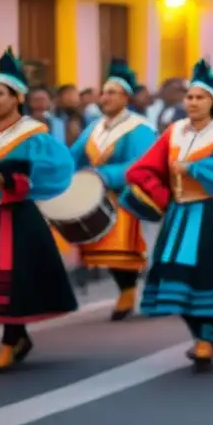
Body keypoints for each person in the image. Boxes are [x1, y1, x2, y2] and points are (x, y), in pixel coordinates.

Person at [120, 59, 213, 368]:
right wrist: (162, 196)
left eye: (200, 97)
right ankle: (201, 335)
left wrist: (196, 168)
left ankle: (206, 337)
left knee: (206, 279)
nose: (193, 102)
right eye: (189, 96)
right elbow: (142, 169)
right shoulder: (174, 132)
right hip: (179, 216)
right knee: (172, 277)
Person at [0, 49, 77, 372]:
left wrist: (10, 174)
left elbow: (55, 166)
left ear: (16, 98)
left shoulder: (32, 133)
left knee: (12, 280)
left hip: (13, 216)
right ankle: (18, 336)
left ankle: (9, 341)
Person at [69, 59, 157, 320]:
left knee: (127, 249)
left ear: (125, 97)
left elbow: (142, 163)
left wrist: (105, 175)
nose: (104, 98)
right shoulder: (94, 128)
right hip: (99, 198)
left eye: (111, 93)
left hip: (131, 198)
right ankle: (128, 290)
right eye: (103, 92)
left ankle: (132, 291)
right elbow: (74, 156)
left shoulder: (139, 127)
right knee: (107, 249)